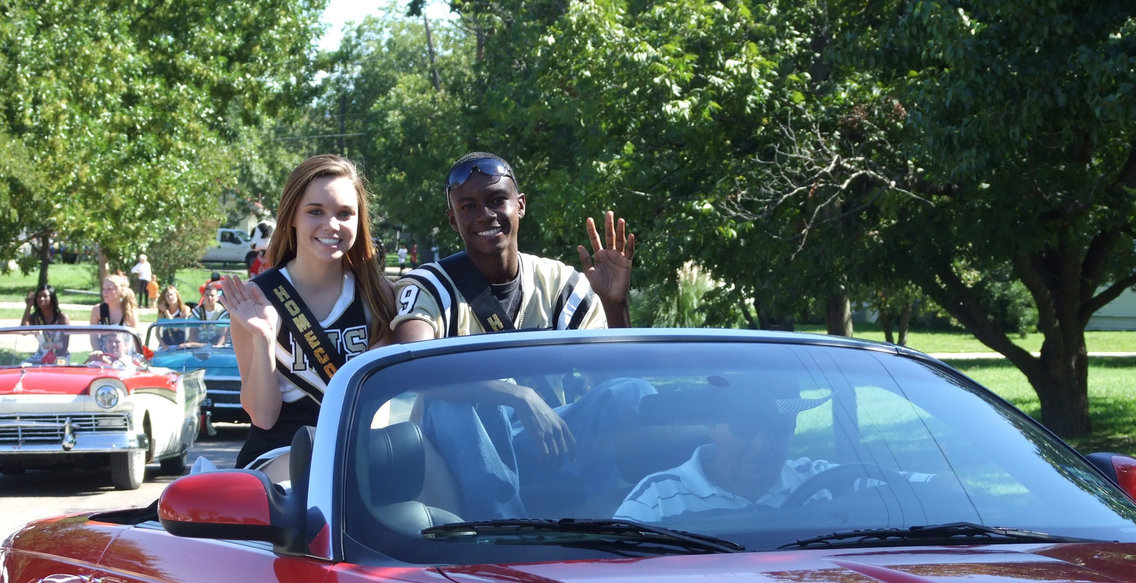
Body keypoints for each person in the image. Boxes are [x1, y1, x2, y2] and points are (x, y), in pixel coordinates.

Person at [391, 151, 644, 518]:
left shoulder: (561, 284)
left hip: (553, 440)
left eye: (497, 201)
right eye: (468, 206)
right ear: (452, 219)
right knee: (449, 401)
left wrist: (614, 304)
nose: (485, 216)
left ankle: (611, 520)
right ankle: (500, 532)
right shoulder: (431, 287)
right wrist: (518, 396)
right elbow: (413, 368)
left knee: (631, 393)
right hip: (466, 460)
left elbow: (613, 378)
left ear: (520, 205)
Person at [221, 154, 396, 468]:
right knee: (310, 480)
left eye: (345, 213)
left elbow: (380, 404)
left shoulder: (377, 293)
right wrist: (263, 338)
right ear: (292, 216)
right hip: (279, 455)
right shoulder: (256, 298)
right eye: (315, 211)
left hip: (356, 451)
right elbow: (262, 416)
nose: (331, 225)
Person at [614, 383, 936, 523]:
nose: (762, 444)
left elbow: (931, 489)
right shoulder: (655, 500)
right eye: (745, 427)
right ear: (712, 426)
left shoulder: (824, 480)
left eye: (780, 428)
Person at [21, 286, 70, 361]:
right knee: (23, 366)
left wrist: (51, 359)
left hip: (60, 357)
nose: (41, 299)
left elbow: (64, 346)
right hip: (40, 356)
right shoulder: (34, 318)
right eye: (39, 297)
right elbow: (23, 331)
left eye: (45, 296)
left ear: (52, 298)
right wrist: (29, 306)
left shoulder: (62, 318)